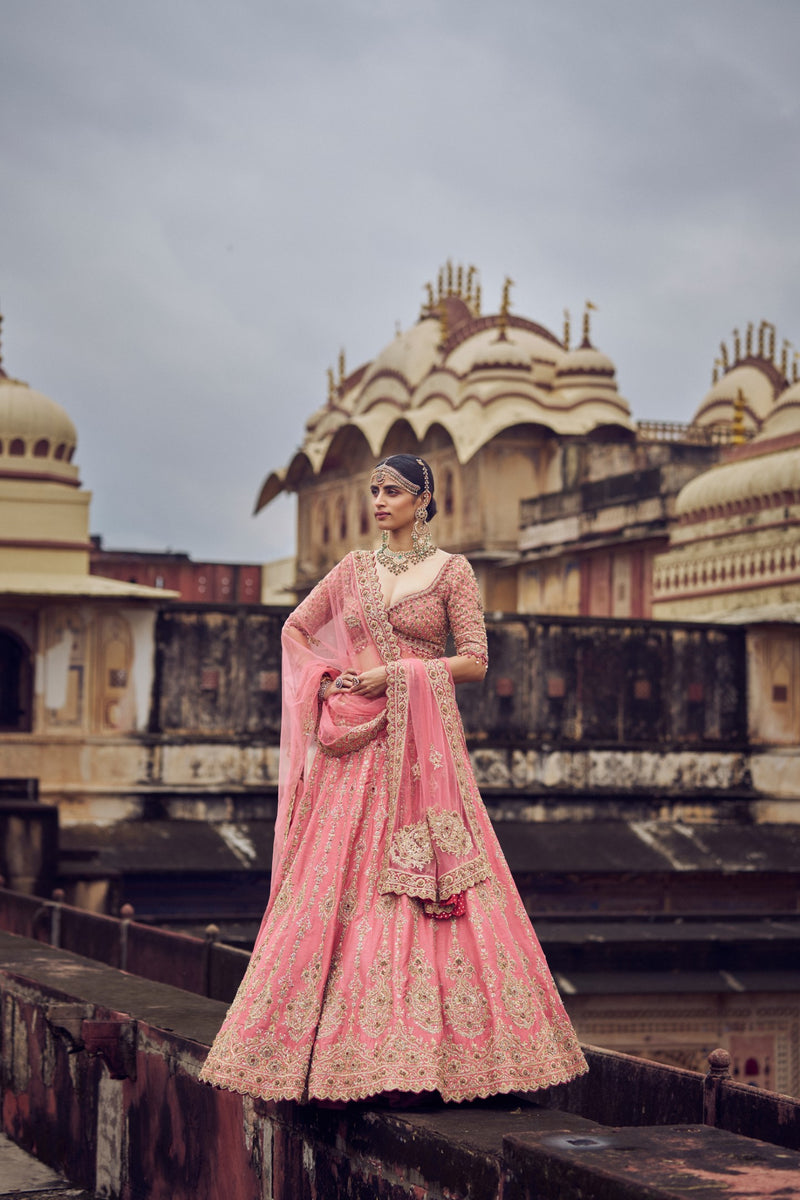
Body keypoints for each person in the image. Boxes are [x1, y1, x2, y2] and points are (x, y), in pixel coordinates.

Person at [199, 454, 587, 1103]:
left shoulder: (451, 572)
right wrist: (331, 681)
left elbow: (475, 660)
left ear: (424, 499)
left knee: (431, 890)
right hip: (354, 751)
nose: (381, 501)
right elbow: (297, 630)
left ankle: (439, 1056)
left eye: (394, 491)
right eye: (375, 490)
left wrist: (397, 675)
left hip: (422, 752)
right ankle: (323, 1052)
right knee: (332, 888)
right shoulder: (352, 570)